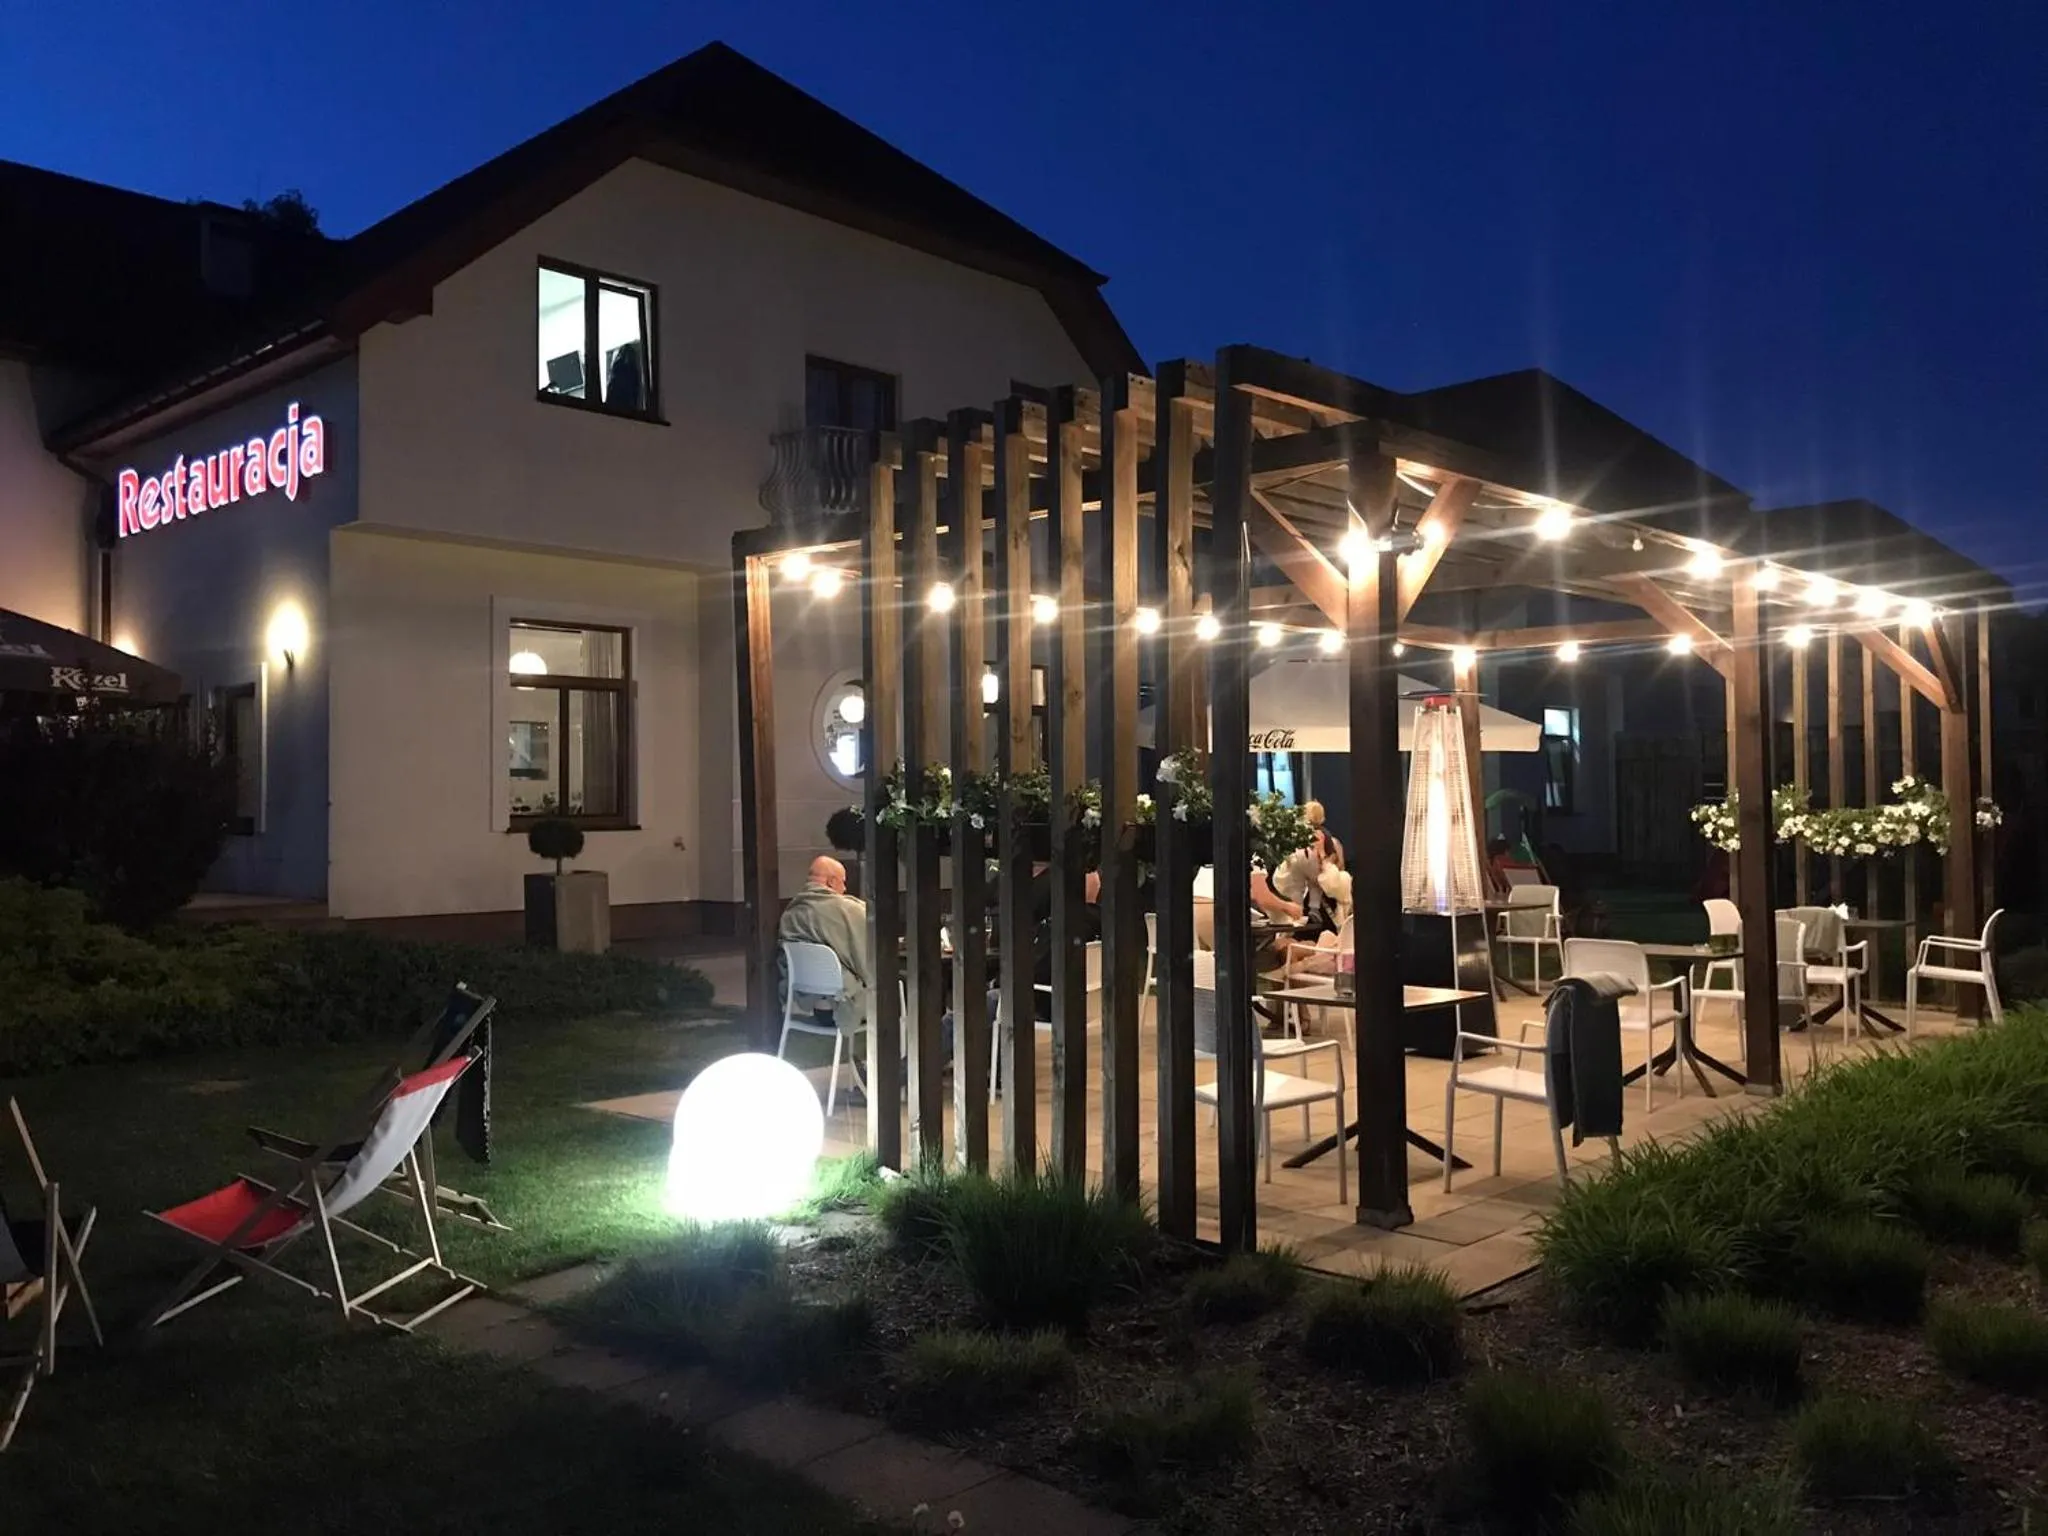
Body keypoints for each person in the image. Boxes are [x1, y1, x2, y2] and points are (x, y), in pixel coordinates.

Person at [777, 855, 870, 1033]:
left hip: (813, 1005)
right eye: (843, 882)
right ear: (831, 882)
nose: (844, 888)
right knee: (902, 986)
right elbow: (871, 963)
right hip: (846, 1006)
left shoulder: (790, 914)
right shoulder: (849, 911)